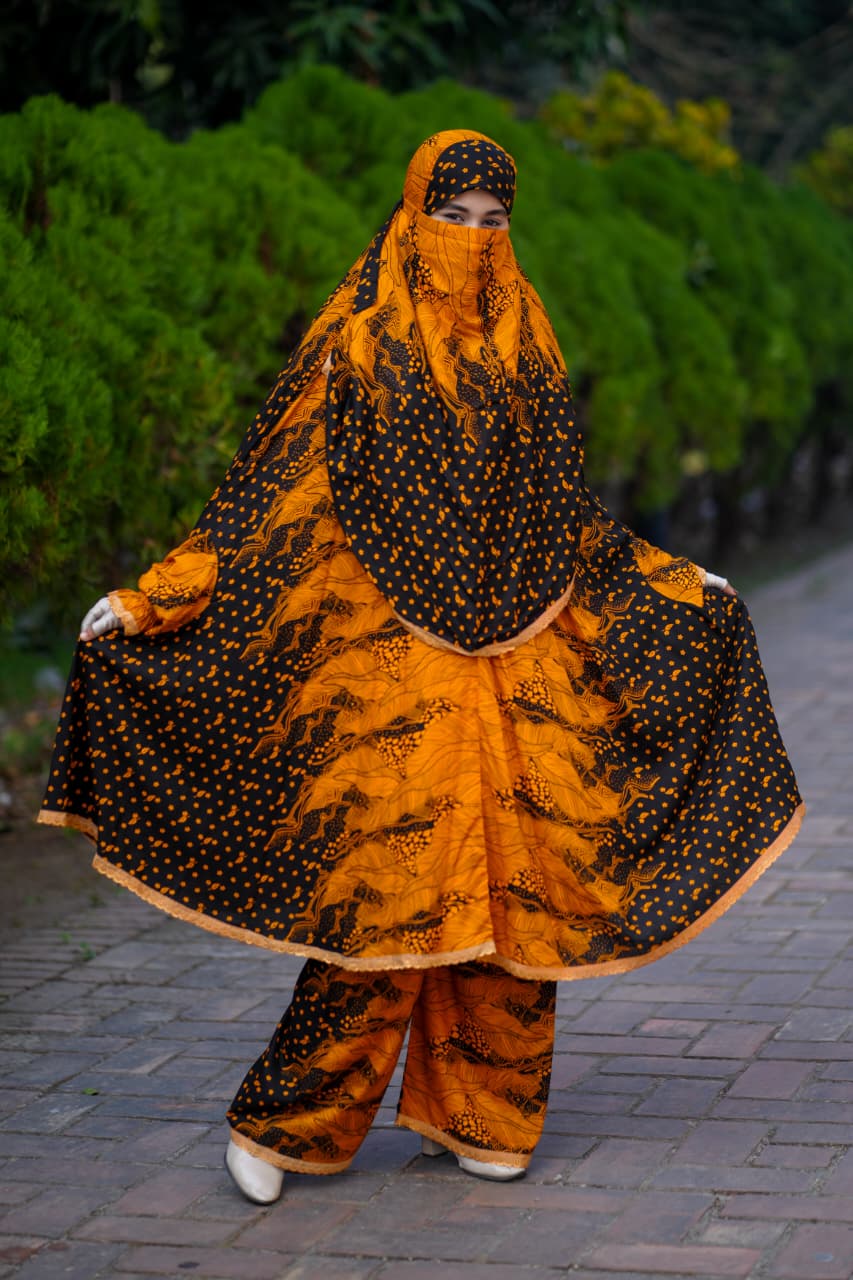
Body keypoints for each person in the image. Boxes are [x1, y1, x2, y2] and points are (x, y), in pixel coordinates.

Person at [40, 130, 803, 1205]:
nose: (473, 241)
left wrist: (666, 578)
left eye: (494, 222)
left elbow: (559, 508)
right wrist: (161, 595)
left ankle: (483, 1109)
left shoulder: (525, 338)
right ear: (412, 218)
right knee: (389, 893)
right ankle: (290, 1119)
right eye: (454, 219)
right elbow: (270, 484)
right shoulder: (357, 340)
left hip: (519, 650)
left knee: (514, 887)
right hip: (382, 651)